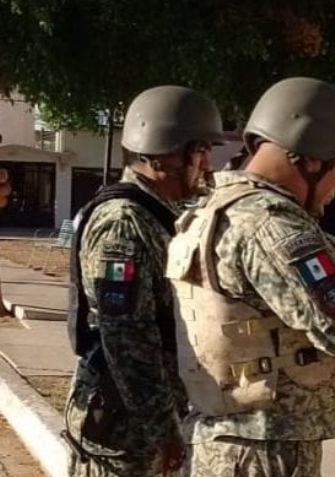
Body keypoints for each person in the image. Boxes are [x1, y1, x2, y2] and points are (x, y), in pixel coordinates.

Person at [166, 77, 335, 477]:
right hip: (264, 447)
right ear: (309, 158)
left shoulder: (210, 209)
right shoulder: (273, 225)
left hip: (231, 439)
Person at [63, 85, 225, 476]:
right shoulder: (122, 222)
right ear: (166, 154)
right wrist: (163, 430)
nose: (205, 163)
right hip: (123, 427)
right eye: (199, 151)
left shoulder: (155, 215)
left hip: (144, 419)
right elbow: (127, 337)